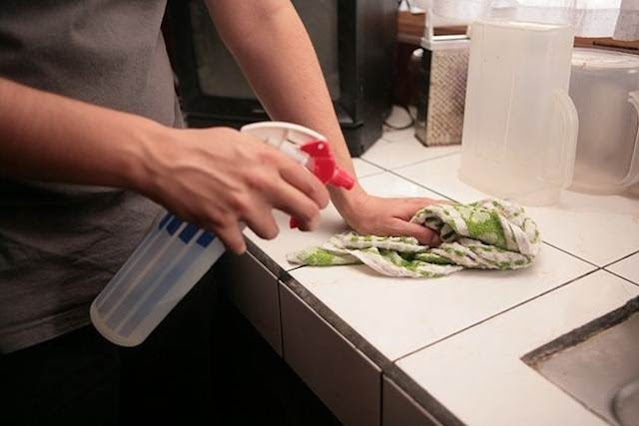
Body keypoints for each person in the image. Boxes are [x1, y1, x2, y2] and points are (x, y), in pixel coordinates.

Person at [0, 1, 442, 424]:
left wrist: (351, 194)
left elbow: (261, 15)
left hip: (168, 257)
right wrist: (156, 155)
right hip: (25, 304)